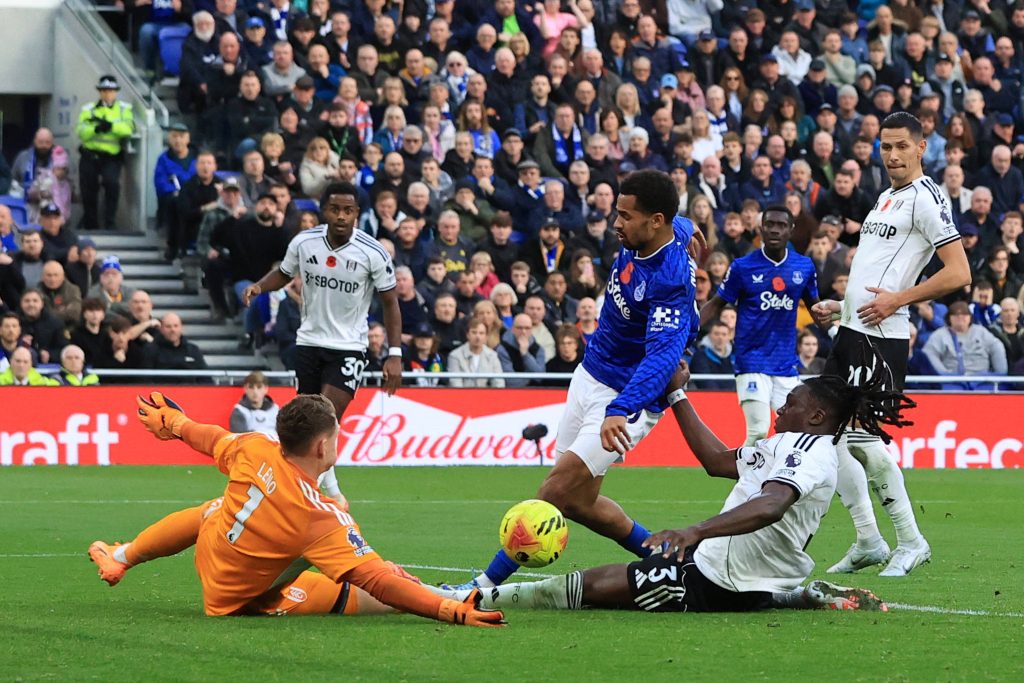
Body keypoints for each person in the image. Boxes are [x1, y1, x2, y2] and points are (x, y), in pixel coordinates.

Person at [438, 361, 905, 614]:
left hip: (718, 582)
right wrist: (678, 395)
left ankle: (471, 599)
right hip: (740, 572)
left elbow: (771, 505)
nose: (782, 405)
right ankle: (788, 596)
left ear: (818, 415)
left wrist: (695, 531)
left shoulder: (810, 452)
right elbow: (717, 462)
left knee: (586, 586)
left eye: (793, 401)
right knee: (645, 557)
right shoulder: (786, 441)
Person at [458, 170, 699, 590]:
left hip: (625, 400)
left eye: (625, 216)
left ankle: (480, 587)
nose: (616, 223)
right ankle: (671, 562)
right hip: (588, 375)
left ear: (654, 220)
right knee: (578, 502)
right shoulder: (666, 230)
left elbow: (664, 355)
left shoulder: (670, 281)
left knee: (554, 489)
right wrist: (691, 226)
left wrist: (621, 409)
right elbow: (682, 222)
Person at [88, 392, 503, 626]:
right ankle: (452, 596)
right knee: (365, 581)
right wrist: (445, 611)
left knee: (214, 508)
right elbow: (378, 581)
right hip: (237, 599)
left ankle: (121, 556)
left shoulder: (256, 447)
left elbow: (211, 437)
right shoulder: (317, 516)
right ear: (323, 446)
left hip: (212, 551)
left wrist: (174, 425)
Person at [812, 112, 972, 577]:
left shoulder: (926, 198)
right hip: (853, 330)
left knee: (860, 440)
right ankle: (868, 539)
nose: (893, 155)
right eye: (885, 147)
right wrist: (840, 307)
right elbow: (874, 271)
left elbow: (959, 273)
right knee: (830, 437)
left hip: (882, 338)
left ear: (921, 148)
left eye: (902, 146)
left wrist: (898, 300)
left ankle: (910, 539)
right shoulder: (885, 198)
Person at [242, 182, 402, 502]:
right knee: (306, 426)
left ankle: (328, 494)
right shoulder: (304, 243)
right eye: (335, 209)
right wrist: (260, 286)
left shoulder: (373, 252)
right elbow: (285, 273)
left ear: (357, 213)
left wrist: (394, 353)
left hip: (348, 347)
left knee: (323, 418)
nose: (341, 216)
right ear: (323, 211)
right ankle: (317, 493)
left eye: (348, 210)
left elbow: (390, 303)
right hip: (309, 343)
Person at [700, 205, 819, 445]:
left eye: (781, 225)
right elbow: (716, 304)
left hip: (785, 363)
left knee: (797, 431)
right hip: (751, 360)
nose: (775, 230)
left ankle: (780, 481)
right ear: (760, 228)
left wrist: (841, 332)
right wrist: (687, 335)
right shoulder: (743, 267)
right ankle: (747, 483)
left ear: (791, 230)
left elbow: (817, 309)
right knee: (758, 430)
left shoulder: (803, 266)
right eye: (769, 225)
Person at [76, 76, 135, 231]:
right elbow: (80, 131)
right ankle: (91, 225)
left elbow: (128, 129)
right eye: (104, 91)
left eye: (110, 91)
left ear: (116, 92)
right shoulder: (88, 109)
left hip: (111, 157)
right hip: (90, 155)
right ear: (99, 92)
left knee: (112, 185)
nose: (107, 94)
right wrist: (95, 129)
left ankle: (110, 223)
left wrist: (110, 126)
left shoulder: (124, 109)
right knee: (88, 190)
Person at [922, 301, 1008, 388]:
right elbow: (929, 353)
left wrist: (1000, 374)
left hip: (982, 380)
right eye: (955, 314)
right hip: (952, 382)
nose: (960, 317)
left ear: (970, 317)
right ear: (949, 318)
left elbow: (997, 347)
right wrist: (945, 375)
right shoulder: (940, 335)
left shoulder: (981, 332)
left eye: (964, 314)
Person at [447, 316, 505, 387]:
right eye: (474, 332)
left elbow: (499, 383)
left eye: (481, 333)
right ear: (468, 335)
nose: (478, 337)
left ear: (486, 336)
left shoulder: (492, 355)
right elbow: (455, 384)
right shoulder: (455, 356)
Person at [142, 314, 208, 371]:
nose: (173, 330)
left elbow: (205, 378)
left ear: (181, 328)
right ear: (161, 329)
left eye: (176, 326)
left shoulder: (193, 350)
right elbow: (144, 379)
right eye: (168, 326)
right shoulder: (150, 350)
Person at [229, 371, 279, 437]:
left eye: (259, 387)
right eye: (251, 387)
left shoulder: (275, 410)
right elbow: (240, 439)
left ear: (266, 389)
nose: (255, 392)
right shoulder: (239, 411)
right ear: (245, 388)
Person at [688, 320, 734, 389]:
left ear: (729, 336)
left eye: (724, 334)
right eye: (716, 334)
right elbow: (706, 383)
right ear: (709, 335)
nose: (720, 338)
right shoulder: (700, 356)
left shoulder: (735, 355)